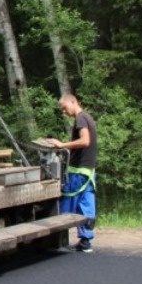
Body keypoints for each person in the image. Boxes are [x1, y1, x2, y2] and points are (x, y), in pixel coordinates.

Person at [47, 93, 98, 252]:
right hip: (89, 172)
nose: (64, 112)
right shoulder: (89, 118)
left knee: (66, 203)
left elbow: (85, 141)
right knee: (86, 206)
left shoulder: (80, 119)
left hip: (79, 171)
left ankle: (56, 241)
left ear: (73, 101)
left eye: (64, 108)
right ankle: (85, 241)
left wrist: (62, 145)